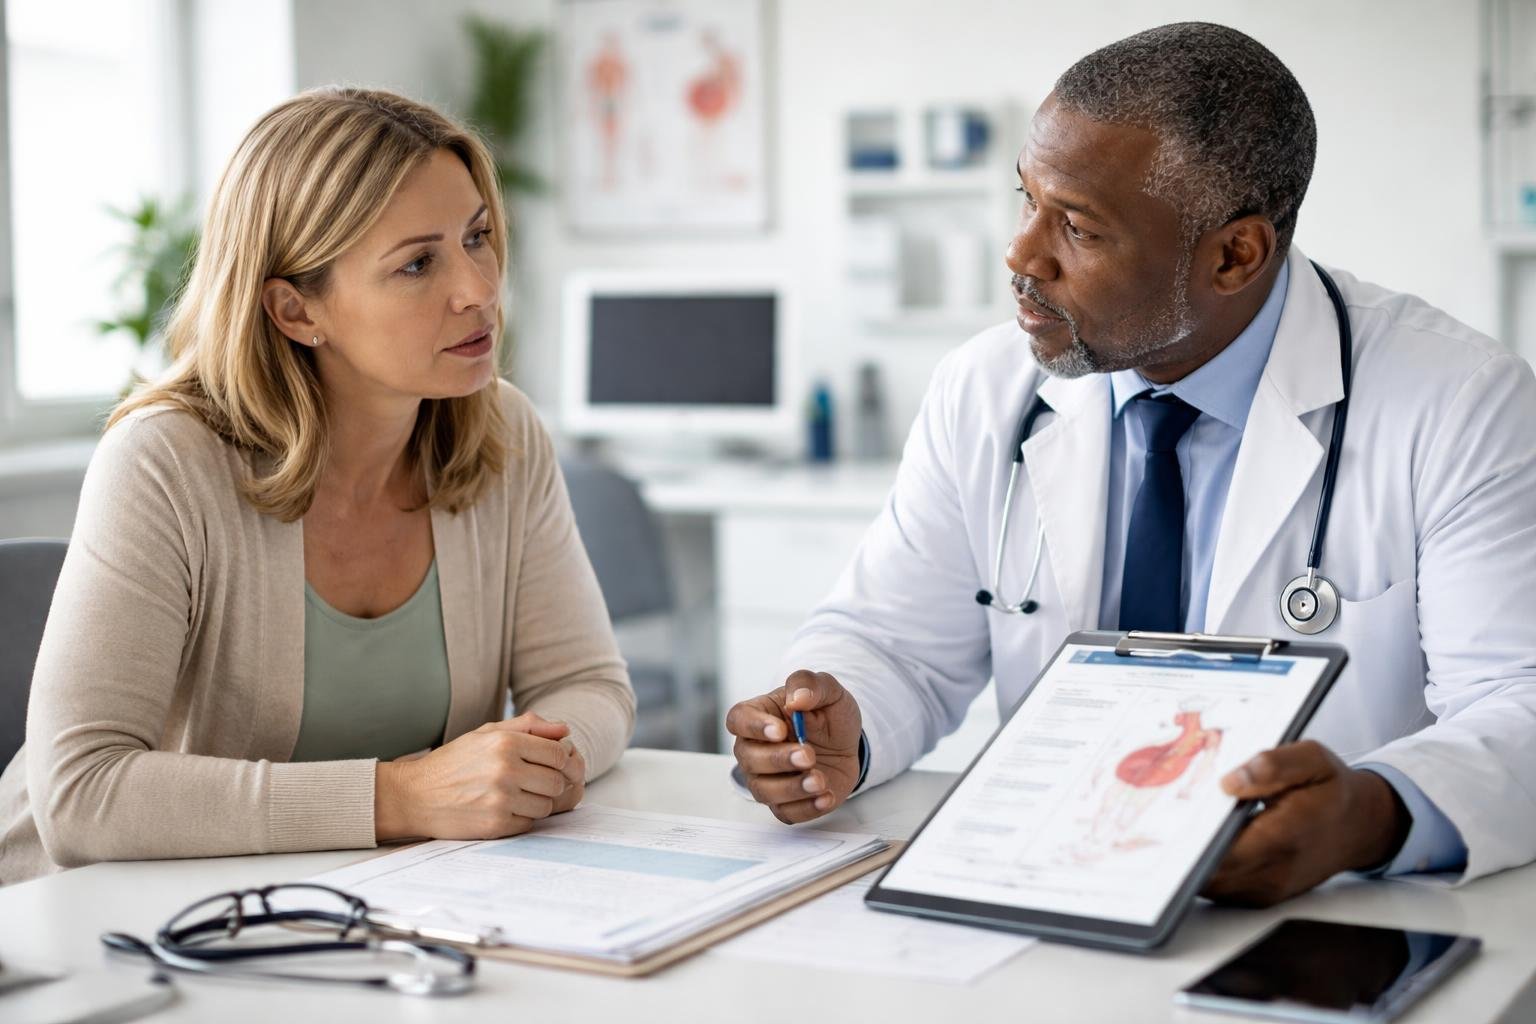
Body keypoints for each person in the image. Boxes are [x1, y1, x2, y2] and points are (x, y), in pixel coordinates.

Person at [727, 22, 1536, 905]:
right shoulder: (984, 387)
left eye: (1076, 226)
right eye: (1026, 200)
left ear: (1236, 255)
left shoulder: (1459, 403)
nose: (1022, 254)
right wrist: (842, 722)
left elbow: (1519, 702)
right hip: (1049, 878)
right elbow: (896, 644)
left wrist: (1372, 813)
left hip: (1326, 914)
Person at [0, 88, 636, 886]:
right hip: (91, 929)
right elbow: (81, 793)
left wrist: (539, 762)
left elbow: (590, 685)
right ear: (296, 310)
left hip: (357, 904)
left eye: (478, 237)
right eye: (417, 263)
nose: (477, 288)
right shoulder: (164, 459)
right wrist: (399, 796)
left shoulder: (501, 431)